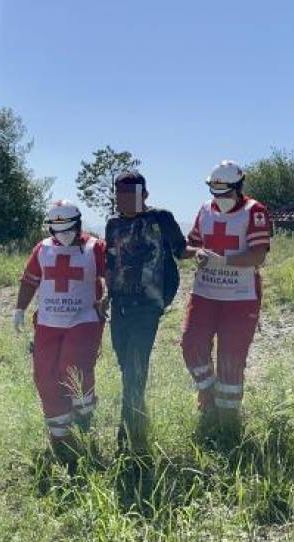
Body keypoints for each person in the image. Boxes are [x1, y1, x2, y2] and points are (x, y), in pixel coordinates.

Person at [180, 161, 272, 441]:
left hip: (240, 297)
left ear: (238, 187)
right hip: (205, 293)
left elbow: (258, 256)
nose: (219, 198)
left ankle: (229, 422)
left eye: (224, 191)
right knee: (191, 342)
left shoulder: (254, 211)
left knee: (231, 357)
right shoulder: (205, 210)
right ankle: (207, 393)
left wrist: (224, 261)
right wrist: (195, 253)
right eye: (214, 190)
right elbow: (189, 245)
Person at [13, 200, 107, 473]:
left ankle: (84, 414)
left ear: (78, 224)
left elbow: (110, 273)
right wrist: (20, 309)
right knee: (44, 376)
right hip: (47, 323)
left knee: (72, 367)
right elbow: (30, 280)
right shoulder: (42, 249)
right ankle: (60, 435)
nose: (63, 234)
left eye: (68, 228)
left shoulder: (94, 247)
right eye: (58, 229)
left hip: (84, 320)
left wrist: (109, 295)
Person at [104, 171, 188, 458]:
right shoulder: (113, 224)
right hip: (120, 306)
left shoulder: (161, 219)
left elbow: (182, 250)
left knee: (136, 370)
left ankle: (130, 443)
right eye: (119, 194)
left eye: (130, 194)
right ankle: (137, 422)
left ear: (145, 195)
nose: (123, 199)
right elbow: (111, 262)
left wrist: (204, 253)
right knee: (127, 368)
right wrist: (106, 294)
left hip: (148, 308)